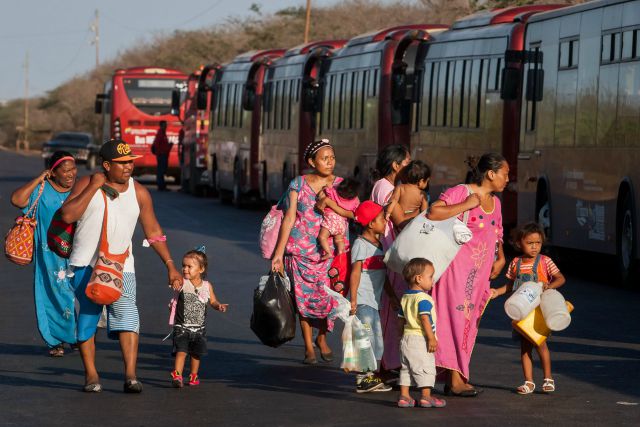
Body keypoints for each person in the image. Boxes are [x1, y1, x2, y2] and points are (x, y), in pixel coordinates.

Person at [60, 139, 182, 393]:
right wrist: (93, 186)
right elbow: (68, 215)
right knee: (88, 320)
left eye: (130, 162)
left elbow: (153, 231)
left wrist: (170, 264)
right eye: (122, 163)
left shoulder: (139, 192)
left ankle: (130, 375)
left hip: (122, 267)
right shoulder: (88, 183)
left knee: (128, 318)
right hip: (85, 265)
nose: (128, 167)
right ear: (106, 165)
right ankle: (91, 374)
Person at [427, 152, 508, 397]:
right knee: (453, 322)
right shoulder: (461, 192)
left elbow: (497, 233)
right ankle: (455, 378)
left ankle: (458, 375)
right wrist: (466, 206)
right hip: (454, 273)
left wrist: (501, 257)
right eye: (505, 174)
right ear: (491, 174)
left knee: (469, 324)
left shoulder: (497, 202)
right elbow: (433, 212)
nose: (507, 179)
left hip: (479, 275)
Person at [271, 139, 349, 364]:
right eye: (325, 158)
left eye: (332, 157)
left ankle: (322, 338)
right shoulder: (298, 183)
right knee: (303, 301)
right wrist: (278, 253)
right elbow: (289, 218)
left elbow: (352, 213)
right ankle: (308, 346)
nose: (330, 162)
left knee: (328, 299)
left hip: (331, 254)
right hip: (299, 253)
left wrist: (331, 204)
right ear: (311, 162)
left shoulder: (341, 184)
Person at [10, 151, 78, 357]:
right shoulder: (42, 191)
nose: (70, 174)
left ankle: (76, 335)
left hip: (77, 252)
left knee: (75, 295)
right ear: (53, 172)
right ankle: (55, 340)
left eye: (73, 169)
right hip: (49, 254)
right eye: (64, 170)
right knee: (52, 295)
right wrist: (40, 178)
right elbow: (17, 199)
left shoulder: (79, 191)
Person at [490, 222, 566, 394]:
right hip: (521, 312)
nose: (534, 247)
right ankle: (529, 381)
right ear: (519, 244)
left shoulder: (545, 262)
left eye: (538, 243)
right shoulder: (515, 263)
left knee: (540, 344)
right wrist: (497, 292)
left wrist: (550, 286)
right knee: (525, 347)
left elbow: (560, 278)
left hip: (538, 311)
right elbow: (510, 286)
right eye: (530, 243)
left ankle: (548, 378)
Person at [349, 201, 400, 393]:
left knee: (375, 339)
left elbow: (383, 275)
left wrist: (392, 296)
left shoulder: (378, 245)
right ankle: (363, 378)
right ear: (371, 224)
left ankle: (369, 376)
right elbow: (355, 274)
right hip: (363, 301)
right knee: (367, 338)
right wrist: (353, 300)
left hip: (373, 301)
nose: (385, 221)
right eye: (381, 219)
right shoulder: (360, 245)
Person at [369, 144, 411, 373]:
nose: (410, 167)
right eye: (407, 163)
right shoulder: (388, 189)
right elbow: (401, 221)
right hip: (390, 251)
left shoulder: (382, 185)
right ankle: (387, 366)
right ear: (396, 165)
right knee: (390, 310)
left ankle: (387, 363)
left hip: (384, 249)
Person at [170, 247, 228, 388]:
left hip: (199, 329)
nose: (185, 269)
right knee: (181, 351)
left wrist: (218, 305)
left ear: (201, 269)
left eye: (189, 266)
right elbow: (174, 282)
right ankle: (177, 375)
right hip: (182, 327)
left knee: (196, 354)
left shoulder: (207, 286)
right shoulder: (183, 283)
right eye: (183, 265)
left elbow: (212, 301)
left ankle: (193, 375)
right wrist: (175, 281)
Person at [397, 258, 446, 408]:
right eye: (430, 277)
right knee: (426, 367)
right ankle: (426, 396)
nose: (433, 280)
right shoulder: (423, 298)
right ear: (419, 279)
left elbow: (400, 319)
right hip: (420, 339)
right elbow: (425, 318)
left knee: (406, 368)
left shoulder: (405, 297)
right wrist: (431, 338)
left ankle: (404, 396)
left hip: (406, 337)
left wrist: (401, 334)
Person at [318, 177, 360, 260]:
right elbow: (356, 210)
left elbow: (324, 192)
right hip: (342, 224)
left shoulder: (334, 193)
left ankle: (328, 252)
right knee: (339, 241)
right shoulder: (354, 201)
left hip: (331, 220)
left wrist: (324, 188)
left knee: (322, 237)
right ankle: (341, 253)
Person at [385, 160, 430, 230]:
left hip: (398, 220)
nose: (427, 183)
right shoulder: (423, 195)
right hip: (412, 222)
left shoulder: (400, 187)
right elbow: (424, 212)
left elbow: (393, 200)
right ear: (421, 181)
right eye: (427, 181)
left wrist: (388, 212)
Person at [151, 120, 172, 191]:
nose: (166, 126)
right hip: (161, 155)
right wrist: (159, 153)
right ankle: (161, 186)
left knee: (162, 171)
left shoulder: (163, 133)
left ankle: (162, 186)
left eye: (166, 125)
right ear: (161, 126)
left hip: (163, 154)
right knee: (160, 171)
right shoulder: (160, 133)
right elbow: (157, 145)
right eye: (164, 125)